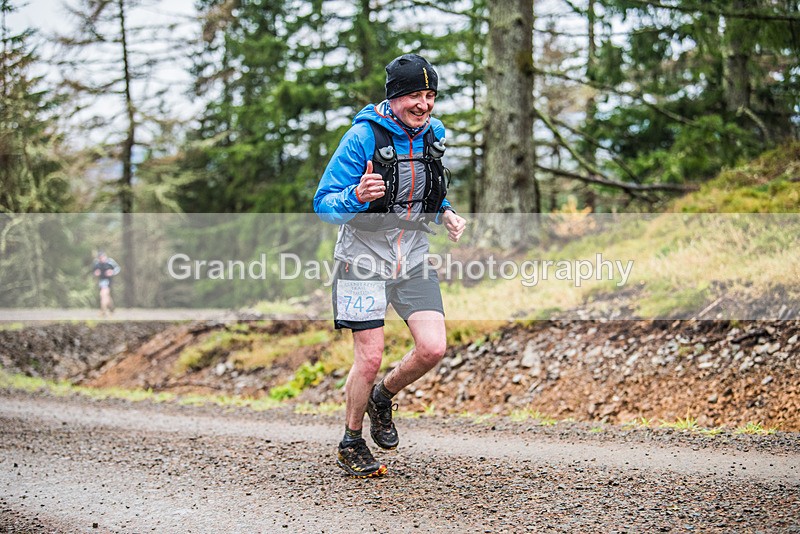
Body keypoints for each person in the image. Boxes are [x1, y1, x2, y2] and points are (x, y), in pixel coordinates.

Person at [314, 53, 467, 478]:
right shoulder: (361, 138)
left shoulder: (433, 133)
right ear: (394, 97)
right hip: (362, 258)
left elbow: (424, 192)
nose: (424, 104)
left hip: (413, 255)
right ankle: (350, 440)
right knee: (370, 356)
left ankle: (384, 397)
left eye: (430, 95)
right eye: (414, 95)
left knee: (433, 347)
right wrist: (356, 197)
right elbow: (323, 205)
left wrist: (446, 214)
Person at [92, 251, 120, 317]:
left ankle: (103, 310)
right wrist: (96, 273)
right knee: (106, 296)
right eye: (100, 258)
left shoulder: (110, 262)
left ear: (105, 257)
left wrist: (112, 272)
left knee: (103, 294)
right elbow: (93, 271)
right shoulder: (96, 263)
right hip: (101, 281)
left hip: (108, 281)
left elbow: (118, 268)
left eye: (102, 258)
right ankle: (111, 308)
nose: (101, 259)